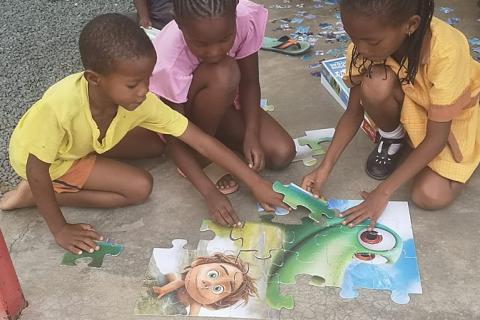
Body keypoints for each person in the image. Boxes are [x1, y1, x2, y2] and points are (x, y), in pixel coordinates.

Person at [0, 13, 287, 255]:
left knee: (149, 159)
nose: (144, 91)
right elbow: (36, 167)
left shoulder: (139, 101)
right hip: (47, 162)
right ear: (93, 79)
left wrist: (253, 182)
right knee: (138, 189)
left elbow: (198, 139)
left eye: (147, 79)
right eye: (133, 84)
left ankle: (48, 190)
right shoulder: (59, 107)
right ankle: (35, 196)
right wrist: (60, 229)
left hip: (82, 146)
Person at [302, 0, 480, 229]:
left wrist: (382, 193)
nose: (361, 48)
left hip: (448, 121)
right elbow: (354, 112)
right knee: (376, 82)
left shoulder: (447, 49)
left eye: (372, 42)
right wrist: (324, 167)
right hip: (411, 104)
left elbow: (437, 138)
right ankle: (395, 137)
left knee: (429, 196)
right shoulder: (365, 37)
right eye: (352, 37)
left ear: (411, 25)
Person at [149, 0, 295, 224]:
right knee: (223, 71)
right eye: (201, 44)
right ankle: (200, 156)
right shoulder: (168, 59)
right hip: (184, 121)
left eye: (225, 38)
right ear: (178, 24)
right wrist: (210, 193)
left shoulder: (244, 18)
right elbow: (173, 137)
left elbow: (249, 81)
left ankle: (217, 145)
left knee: (281, 152)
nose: (215, 51)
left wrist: (251, 134)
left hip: (223, 103)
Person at [152, 253, 257, 316]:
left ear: (212, 304)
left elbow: (192, 316)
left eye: (218, 289)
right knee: (171, 275)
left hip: (178, 305)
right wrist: (162, 290)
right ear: (198, 262)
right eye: (212, 274)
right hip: (173, 290)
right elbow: (174, 284)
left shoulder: (195, 303)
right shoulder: (182, 282)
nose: (209, 283)